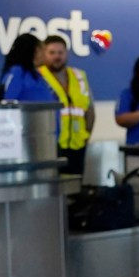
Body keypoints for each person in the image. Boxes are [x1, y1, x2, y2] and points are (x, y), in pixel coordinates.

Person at [39, 35, 96, 176]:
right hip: (51, 146)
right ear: (43, 54)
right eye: (52, 53)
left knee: (75, 189)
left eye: (60, 52)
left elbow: (90, 109)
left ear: (66, 53)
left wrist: (86, 136)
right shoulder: (38, 77)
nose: (57, 57)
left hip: (78, 144)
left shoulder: (79, 75)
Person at [0, 34, 56, 102]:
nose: (45, 54)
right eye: (44, 50)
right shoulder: (17, 73)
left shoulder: (36, 75)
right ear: (36, 50)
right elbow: (6, 101)